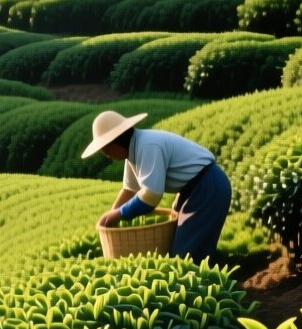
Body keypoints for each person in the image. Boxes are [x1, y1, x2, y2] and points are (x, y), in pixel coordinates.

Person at [84, 110, 232, 262]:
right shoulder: (133, 152)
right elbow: (130, 190)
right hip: (191, 189)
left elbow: (151, 195)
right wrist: (111, 216)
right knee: (182, 246)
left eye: (105, 149)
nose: (106, 154)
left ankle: (221, 279)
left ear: (116, 141)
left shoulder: (147, 146)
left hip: (207, 186)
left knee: (185, 256)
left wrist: (119, 214)